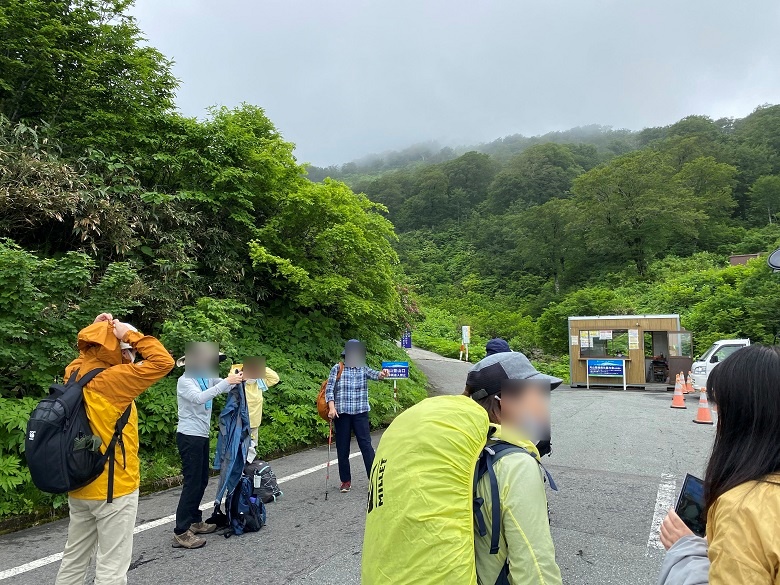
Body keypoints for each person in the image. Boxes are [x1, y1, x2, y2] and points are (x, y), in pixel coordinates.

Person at [56, 314, 174, 585]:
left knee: (74, 559)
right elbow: (163, 361)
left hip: (79, 481)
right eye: (130, 352)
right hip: (113, 487)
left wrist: (100, 328)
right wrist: (128, 334)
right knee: (112, 566)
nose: (133, 356)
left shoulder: (73, 372)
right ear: (121, 349)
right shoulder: (117, 379)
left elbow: (88, 351)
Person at [658, 345, 780, 584]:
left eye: (721, 408)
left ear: (743, 417)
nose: (717, 418)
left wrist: (687, 550)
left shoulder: (743, 509)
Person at [463, 351, 563, 585]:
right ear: (502, 401)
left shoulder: (468, 448)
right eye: (534, 395)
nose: (541, 405)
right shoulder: (516, 465)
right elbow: (535, 568)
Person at [173, 343, 243, 549]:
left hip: (201, 435)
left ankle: (195, 521)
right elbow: (200, 398)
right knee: (192, 482)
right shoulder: (185, 381)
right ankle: (181, 531)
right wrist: (227, 382)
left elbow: (223, 385)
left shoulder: (205, 378)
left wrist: (239, 378)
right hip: (188, 436)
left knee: (202, 479)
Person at [325, 339, 389, 493]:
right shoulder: (337, 368)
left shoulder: (362, 368)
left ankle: (373, 479)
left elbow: (376, 375)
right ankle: (345, 481)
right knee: (342, 448)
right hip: (342, 414)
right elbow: (329, 389)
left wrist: (383, 374)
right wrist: (332, 408)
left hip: (360, 413)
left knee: (366, 446)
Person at [241, 357, 280, 447]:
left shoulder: (259, 383)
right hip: (240, 422)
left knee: (252, 447)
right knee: (240, 447)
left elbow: (275, 378)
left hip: (254, 423)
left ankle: (250, 460)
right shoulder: (239, 384)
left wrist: (262, 368)